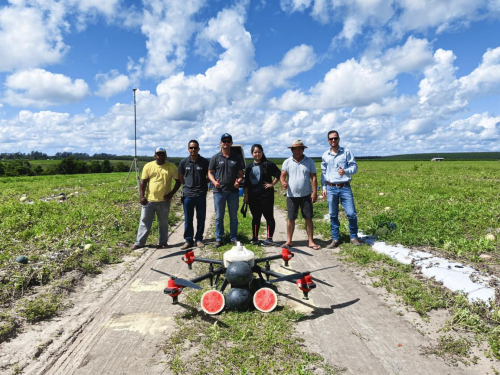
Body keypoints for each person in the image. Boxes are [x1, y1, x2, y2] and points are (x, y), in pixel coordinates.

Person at [132, 147, 181, 250]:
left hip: (164, 201)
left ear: (166, 155)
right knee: (144, 222)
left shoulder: (171, 167)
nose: (161, 156)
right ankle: (139, 242)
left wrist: (171, 193)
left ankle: (163, 242)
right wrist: (141, 197)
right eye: (158, 154)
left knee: (163, 223)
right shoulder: (148, 166)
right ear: (155, 156)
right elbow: (143, 182)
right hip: (149, 200)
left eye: (163, 154)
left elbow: (178, 181)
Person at [321, 130, 363, 248]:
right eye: (331, 139)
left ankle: (354, 237)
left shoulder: (346, 152)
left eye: (335, 138)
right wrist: (324, 186)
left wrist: (345, 171)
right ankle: (335, 239)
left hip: (344, 187)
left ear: (339, 139)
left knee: (351, 213)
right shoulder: (325, 155)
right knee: (333, 214)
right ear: (328, 141)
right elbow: (323, 172)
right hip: (330, 187)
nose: (333, 140)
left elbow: (354, 167)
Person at [280, 140, 320, 250]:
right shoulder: (287, 162)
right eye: (295, 148)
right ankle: (289, 241)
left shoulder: (309, 161)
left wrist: (315, 192)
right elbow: (282, 175)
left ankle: (311, 241)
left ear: (303, 149)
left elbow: (314, 177)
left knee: (308, 217)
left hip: (306, 195)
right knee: (291, 218)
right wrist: (283, 182)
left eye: (300, 148)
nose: (298, 150)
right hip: (291, 195)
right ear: (292, 150)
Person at [208, 133, 245, 247]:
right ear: (221, 143)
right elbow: (209, 172)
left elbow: (241, 174)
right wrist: (214, 182)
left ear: (231, 143)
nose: (226, 143)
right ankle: (219, 238)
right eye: (224, 141)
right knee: (219, 216)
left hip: (233, 192)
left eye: (228, 141)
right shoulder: (215, 157)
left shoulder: (236, 158)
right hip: (219, 192)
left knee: (233, 216)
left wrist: (238, 181)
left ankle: (233, 238)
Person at [244, 144, 281, 245]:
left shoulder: (268, 164)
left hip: (266, 196)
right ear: (252, 154)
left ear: (262, 152)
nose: (257, 154)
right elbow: (246, 183)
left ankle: (269, 238)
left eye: (259, 152)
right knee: (256, 217)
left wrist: (272, 184)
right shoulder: (249, 167)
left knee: (269, 217)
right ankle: (255, 237)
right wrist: (246, 196)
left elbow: (278, 173)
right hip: (253, 197)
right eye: (255, 152)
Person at [177, 140, 210, 250]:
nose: (193, 150)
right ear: (188, 149)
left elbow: (209, 176)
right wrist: (187, 185)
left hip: (200, 194)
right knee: (188, 219)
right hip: (188, 195)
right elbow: (180, 176)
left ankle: (199, 239)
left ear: (198, 149)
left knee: (201, 218)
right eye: (191, 148)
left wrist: (202, 184)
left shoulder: (204, 162)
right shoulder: (184, 162)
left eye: (195, 148)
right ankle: (188, 240)